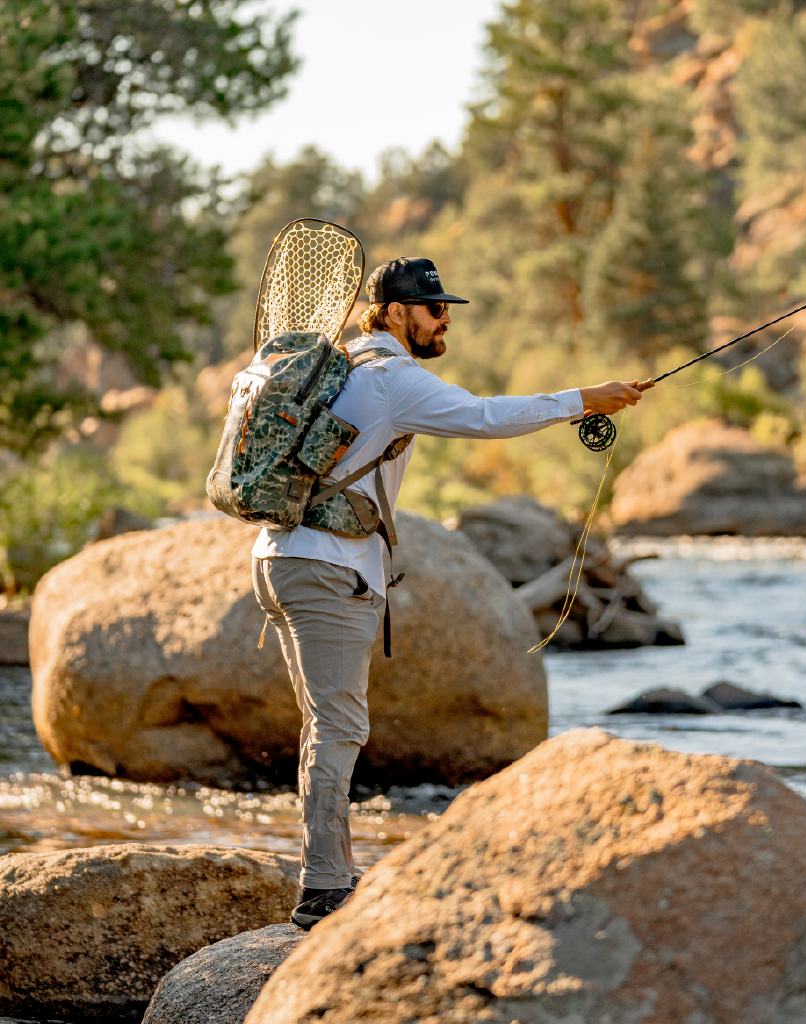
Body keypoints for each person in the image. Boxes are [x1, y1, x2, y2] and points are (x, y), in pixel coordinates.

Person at [250, 256, 643, 929]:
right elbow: (486, 417)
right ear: (395, 314)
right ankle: (322, 888)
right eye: (434, 309)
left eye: (446, 308)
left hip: (277, 558)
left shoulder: (333, 366)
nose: (444, 320)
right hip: (329, 567)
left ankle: (331, 872)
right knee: (339, 726)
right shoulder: (392, 377)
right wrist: (583, 399)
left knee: (325, 725)